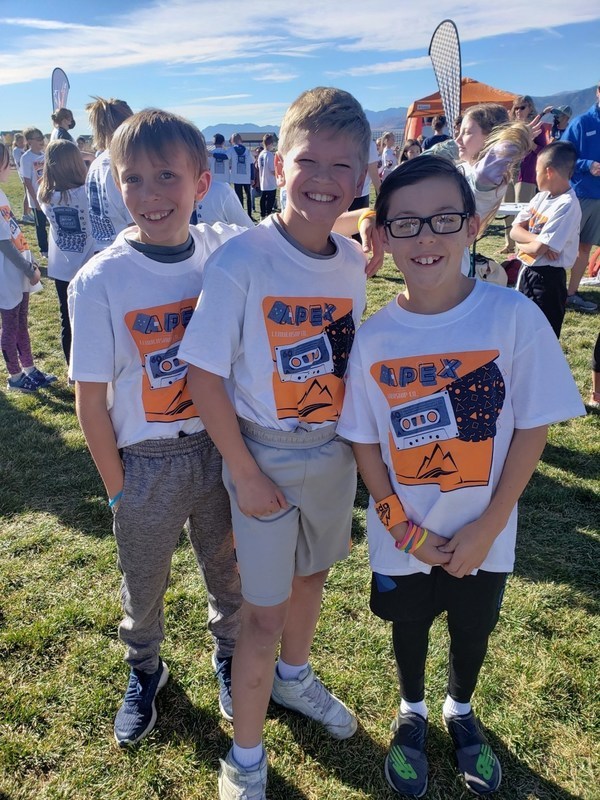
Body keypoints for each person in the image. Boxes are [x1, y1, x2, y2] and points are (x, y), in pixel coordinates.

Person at [336, 156, 585, 798]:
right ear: (382, 235)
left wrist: (488, 526)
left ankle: (460, 708)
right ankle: (413, 710)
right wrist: (403, 528)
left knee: (473, 627)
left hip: (486, 537)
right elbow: (365, 441)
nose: (426, 238)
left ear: (472, 226)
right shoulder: (375, 337)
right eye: (407, 223)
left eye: (443, 219)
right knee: (410, 626)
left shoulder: (513, 318)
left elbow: (533, 427)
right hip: (404, 538)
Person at [179, 86, 371, 800]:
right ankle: (246, 758)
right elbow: (201, 375)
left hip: (332, 453)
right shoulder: (243, 262)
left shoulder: (352, 261)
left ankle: (294, 680)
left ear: (364, 174)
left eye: (342, 165)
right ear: (276, 164)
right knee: (260, 615)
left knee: (313, 577)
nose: (324, 177)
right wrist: (246, 473)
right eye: (308, 160)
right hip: (262, 456)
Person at [68, 109, 244, 747]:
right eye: (133, 178)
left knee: (229, 571)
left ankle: (230, 654)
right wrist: (118, 486)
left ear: (201, 183)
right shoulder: (99, 281)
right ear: (116, 185)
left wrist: (361, 219)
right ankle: (145, 667)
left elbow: (297, 230)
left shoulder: (223, 249)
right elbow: (90, 399)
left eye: (166, 176)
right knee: (143, 580)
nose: (149, 195)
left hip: (220, 448)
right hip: (143, 461)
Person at [0, 143, 56, 393]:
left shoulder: (1, 194)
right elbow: (4, 244)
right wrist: (27, 268)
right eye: (6, 163)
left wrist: (29, 263)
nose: (10, 168)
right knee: (10, 324)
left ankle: (30, 369)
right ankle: (15, 377)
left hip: (18, 270)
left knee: (22, 321)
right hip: (7, 274)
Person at [511, 141, 581, 337]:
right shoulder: (540, 197)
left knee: (543, 336)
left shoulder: (567, 204)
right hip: (527, 273)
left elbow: (538, 249)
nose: (535, 175)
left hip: (547, 280)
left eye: (537, 170)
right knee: (523, 333)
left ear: (549, 172)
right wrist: (534, 242)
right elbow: (514, 231)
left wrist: (536, 244)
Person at [455, 103, 535, 275]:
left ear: (491, 137)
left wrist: (518, 132)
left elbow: (503, 151)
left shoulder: (483, 177)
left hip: (452, 266)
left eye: (467, 132)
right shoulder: (467, 167)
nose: (458, 139)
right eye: (459, 132)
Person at [38, 140, 95, 363]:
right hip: (87, 263)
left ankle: (71, 366)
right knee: (90, 318)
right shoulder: (85, 191)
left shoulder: (45, 195)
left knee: (67, 318)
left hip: (61, 267)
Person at [561, 82, 600, 312]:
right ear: (597, 93)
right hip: (581, 194)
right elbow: (560, 156)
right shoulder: (581, 123)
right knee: (563, 246)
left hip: (598, 199)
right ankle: (555, 290)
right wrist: (587, 165)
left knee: (584, 248)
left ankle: (571, 293)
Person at [501, 96, 549, 254]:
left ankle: (522, 246)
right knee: (507, 209)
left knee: (522, 210)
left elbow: (544, 151)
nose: (518, 111)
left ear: (530, 108)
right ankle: (509, 245)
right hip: (508, 171)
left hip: (526, 172)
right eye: (516, 108)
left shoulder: (538, 127)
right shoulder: (511, 126)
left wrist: (531, 142)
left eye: (522, 107)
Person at [85, 97, 134, 250]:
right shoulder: (122, 164)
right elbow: (135, 222)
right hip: (126, 250)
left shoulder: (96, 163)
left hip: (101, 247)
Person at [20, 127, 49, 257]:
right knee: (40, 225)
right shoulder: (26, 158)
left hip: (48, 196)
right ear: (29, 141)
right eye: (38, 139)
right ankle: (44, 249)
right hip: (36, 199)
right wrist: (35, 200)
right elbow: (27, 181)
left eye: (42, 138)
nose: (41, 141)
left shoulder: (45, 155)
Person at [228, 133, 253, 218]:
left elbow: (225, 156)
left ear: (232, 141)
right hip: (246, 177)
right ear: (241, 140)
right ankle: (249, 215)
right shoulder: (247, 150)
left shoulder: (231, 150)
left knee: (239, 197)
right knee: (248, 196)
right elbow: (251, 163)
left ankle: (241, 216)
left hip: (236, 177)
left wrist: (213, 154)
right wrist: (252, 177)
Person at [11, 133, 33, 222]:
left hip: (28, 173)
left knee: (31, 193)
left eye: (22, 141)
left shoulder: (23, 149)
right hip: (23, 174)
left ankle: (28, 212)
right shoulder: (16, 150)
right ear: (16, 142)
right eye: (19, 141)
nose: (22, 143)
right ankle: (25, 214)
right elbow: (20, 162)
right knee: (27, 193)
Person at [257, 134, 277, 218]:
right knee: (270, 201)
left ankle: (262, 215)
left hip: (263, 181)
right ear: (270, 144)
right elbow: (272, 170)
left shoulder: (261, 154)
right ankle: (268, 215)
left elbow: (258, 166)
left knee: (263, 199)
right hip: (270, 183)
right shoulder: (269, 155)